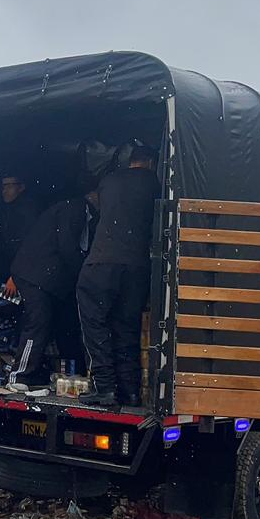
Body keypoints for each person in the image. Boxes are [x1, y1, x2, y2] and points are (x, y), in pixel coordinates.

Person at [76, 144, 159, 407]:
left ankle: (104, 387)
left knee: (95, 324)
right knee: (127, 328)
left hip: (102, 263)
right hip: (137, 267)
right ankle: (130, 391)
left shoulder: (110, 180)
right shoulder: (156, 184)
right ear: (151, 163)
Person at [3, 187, 99, 388]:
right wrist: (83, 273)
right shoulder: (74, 210)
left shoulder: (76, 211)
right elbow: (67, 247)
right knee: (37, 323)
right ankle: (19, 375)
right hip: (36, 276)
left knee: (52, 324)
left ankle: (43, 371)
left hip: (44, 277)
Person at [0, 175, 44, 283]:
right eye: (3, 187)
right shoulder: (4, 210)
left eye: (9, 186)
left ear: (21, 187)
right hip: (8, 268)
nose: (4, 191)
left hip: (22, 271)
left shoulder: (29, 211)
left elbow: (29, 245)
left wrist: (15, 275)